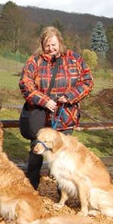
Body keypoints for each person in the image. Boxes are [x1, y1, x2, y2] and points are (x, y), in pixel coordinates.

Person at [19, 26, 94, 190]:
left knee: (63, 157)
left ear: (59, 41)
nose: (51, 49)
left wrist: (70, 96)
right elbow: (25, 84)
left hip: (65, 116)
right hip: (40, 116)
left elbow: (87, 81)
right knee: (35, 154)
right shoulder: (35, 60)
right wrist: (44, 100)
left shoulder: (75, 59)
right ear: (42, 45)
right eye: (47, 46)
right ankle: (31, 188)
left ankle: (63, 192)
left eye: (54, 45)